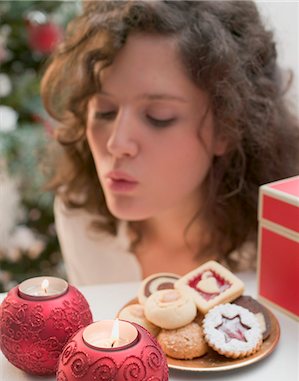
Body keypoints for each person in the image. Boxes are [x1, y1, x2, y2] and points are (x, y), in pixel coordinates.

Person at [40, 0, 299, 286]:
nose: (117, 143)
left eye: (158, 117)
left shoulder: (283, 234)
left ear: (227, 128)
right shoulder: (80, 215)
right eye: (104, 111)